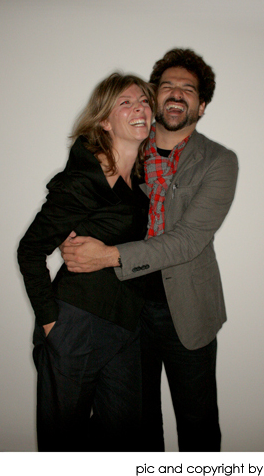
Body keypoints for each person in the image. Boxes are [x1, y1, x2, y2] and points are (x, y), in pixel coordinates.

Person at [61, 49, 237, 451]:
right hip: (127, 308)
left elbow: (188, 239)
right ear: (154, 97)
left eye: (188, 89)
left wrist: (109, 255)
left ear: (202, 106)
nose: (176, 93)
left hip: (188, 312)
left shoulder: (219, 162)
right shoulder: (125, 146)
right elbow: (81, 190)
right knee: (136, 426)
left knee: (198, 425)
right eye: (167, 86)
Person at [17, 73, 158, 451]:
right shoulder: (84, 178)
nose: (140, 109)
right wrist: (52, 324)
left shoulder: (138, 182)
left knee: (125, 443)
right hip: (76, 325)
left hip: (125, 329)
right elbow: (30, 250)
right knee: (63, 445)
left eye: (144, 102)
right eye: (126, 103)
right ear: (105, 121)